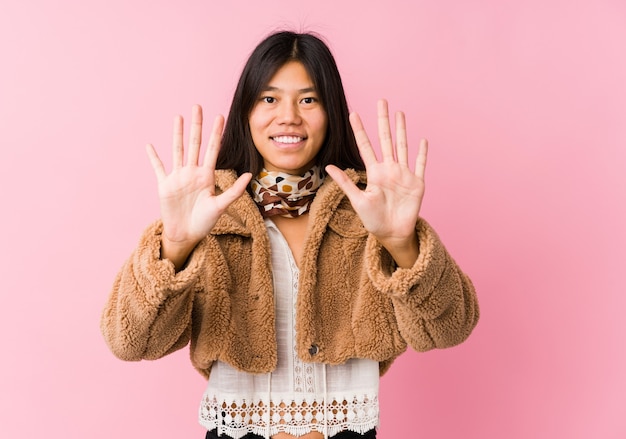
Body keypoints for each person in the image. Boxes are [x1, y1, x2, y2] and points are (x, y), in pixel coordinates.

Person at [101, 30, 479, 439]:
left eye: (308, 99)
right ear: (246, 111)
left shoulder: (369, 210)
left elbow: (451, 327)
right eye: (269, 98)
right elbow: (130, 341)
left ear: (330, 110)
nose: (289, 116)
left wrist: (402, 243)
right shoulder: (209, 214)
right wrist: (175, 245)